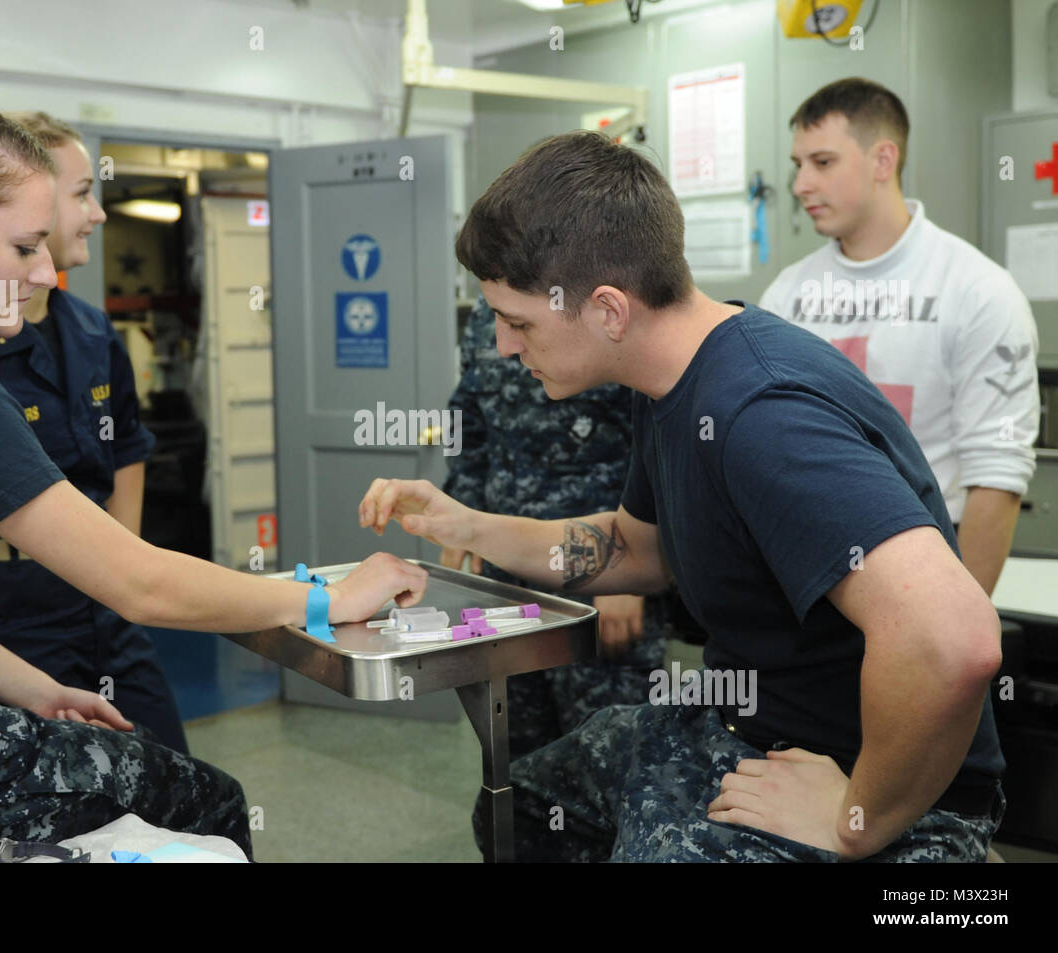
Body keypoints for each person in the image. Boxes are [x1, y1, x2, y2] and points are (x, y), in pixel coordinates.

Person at [0, 101, 426, 862]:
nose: (47, 272)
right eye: (23, 246)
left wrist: (32, 689)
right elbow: (136, 582)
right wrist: (327, 600)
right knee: (205, 800)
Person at [360, 130, 1005, 862]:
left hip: (862, 777)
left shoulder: (761, 413)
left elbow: (954, 641)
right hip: (747, 722)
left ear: (607, 310)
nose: (506, 347)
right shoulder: (670, 381)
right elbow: (636, 546)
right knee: (525, 805)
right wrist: (465, 522)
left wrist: (855, 817)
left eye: (519, 322)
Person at [0, 112, 188, 755]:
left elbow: (127, 446)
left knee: (171, 773)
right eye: (81, 194)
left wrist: (124, 573)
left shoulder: (94, 332)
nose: (97, 213)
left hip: (103, 608)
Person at [760, 77, 1039, 597]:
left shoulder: (978, 291)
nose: (800, 185)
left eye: (822, 162)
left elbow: (996, 475)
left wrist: (957, 626)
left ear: (882, 161)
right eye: (798, 164)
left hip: (929, 557)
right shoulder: (787, 295)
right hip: (807, 560)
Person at [441, 293, 665, 759]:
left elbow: (658, 447)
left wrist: (630, 577)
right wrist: (464, 517)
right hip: (505, 573)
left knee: (608, 751)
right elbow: (467, 420)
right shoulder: (491, 315)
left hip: (597, 568)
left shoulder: (601, 307)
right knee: (512, 746)